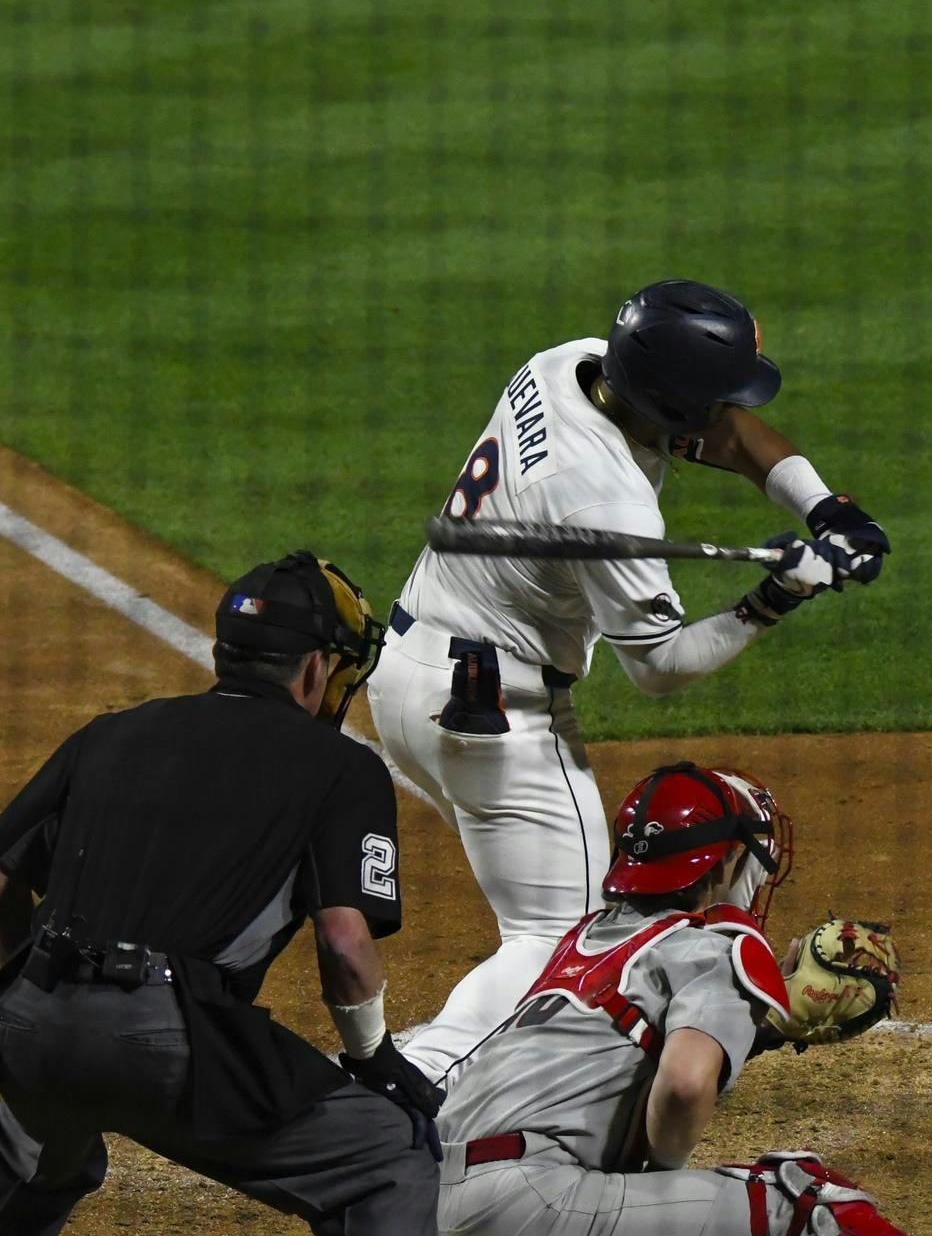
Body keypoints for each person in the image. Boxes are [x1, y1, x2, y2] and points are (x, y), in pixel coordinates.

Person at [370, 279, 891, 1087]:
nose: (723, 409)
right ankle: (412, 1085)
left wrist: (829, 511)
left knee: (542, 914)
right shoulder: (601, 494)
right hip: (489, 709)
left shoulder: (571, 364)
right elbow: (659, 667)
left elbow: (727, 432)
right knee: (560, 936)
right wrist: (779, 594)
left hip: (413, 673)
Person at [0, 552, 445, 1236]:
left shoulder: (110, 733)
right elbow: (344, 941)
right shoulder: (341, 766)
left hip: (30, 1020)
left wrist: (41, 996)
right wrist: (374, 1056)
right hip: (168, 1042)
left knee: (39, 1138)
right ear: (314, 671)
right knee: (389, 1154)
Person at [433, 762, 932, 1236]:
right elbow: (683, 1085)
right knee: (805, 1209)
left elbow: (625, 1056)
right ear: (723, 863)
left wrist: (760, 1027)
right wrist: (658, 1181)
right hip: (526, 1215)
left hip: (430, 1211)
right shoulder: (714, 952)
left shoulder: (585, 942)